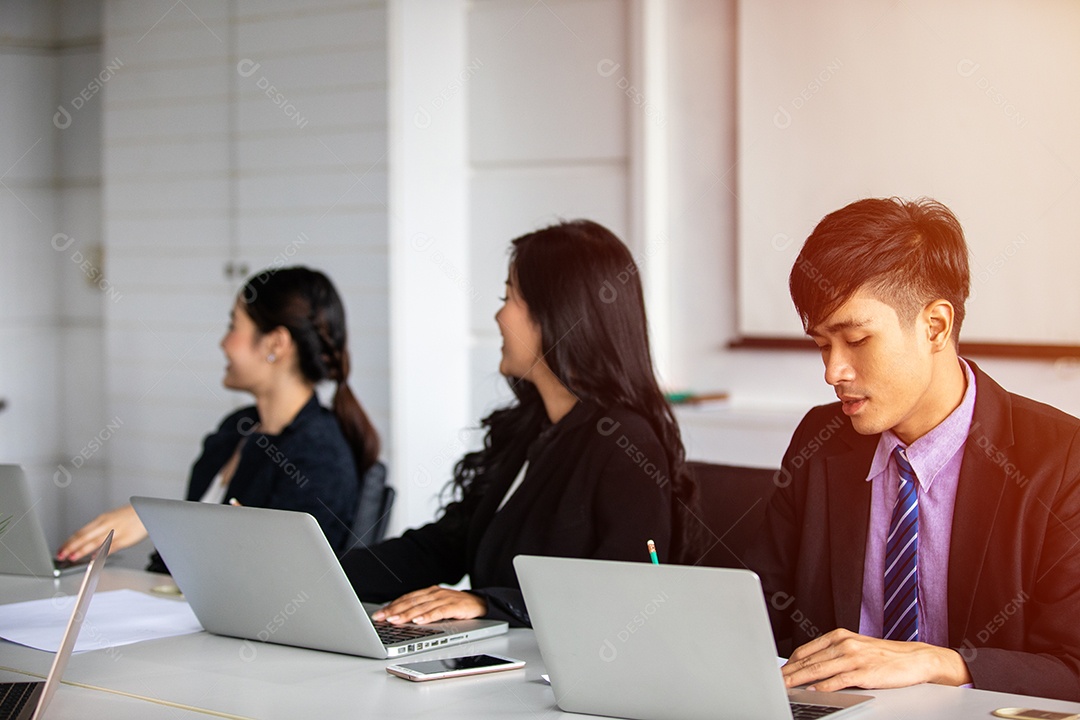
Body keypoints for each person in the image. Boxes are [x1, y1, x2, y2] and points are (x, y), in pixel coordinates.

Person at [751, 197, 1080, 701]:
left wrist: (940, 663)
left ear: (935, 326)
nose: (833, 372)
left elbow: (1072, 667)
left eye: (857, 339)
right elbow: (758, 620)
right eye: (822, 345)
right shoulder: (819, 441)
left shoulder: (1060, 458)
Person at [340, 220, 700, 627]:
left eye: (508, 296)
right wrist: (328, 576)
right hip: (501, 666)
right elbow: (441, 546)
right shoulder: (529, 428)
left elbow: (625, 596)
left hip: (557, 683)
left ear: (555, 314)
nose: (498, 314)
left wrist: (489, 603)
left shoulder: (626, 444)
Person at [58, 266, 380, 564]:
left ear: (276, 343)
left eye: (233, 326)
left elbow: (278, 574)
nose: (223, 343)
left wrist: (155, 521)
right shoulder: (236, 429)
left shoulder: (320, 455)